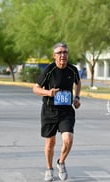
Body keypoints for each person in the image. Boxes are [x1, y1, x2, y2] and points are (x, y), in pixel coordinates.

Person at [33, 42, 81, 181]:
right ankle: (49, 168)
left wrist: (77, 97)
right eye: (59, 53)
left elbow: (78, 83)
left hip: (66, 111)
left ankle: (61, 162)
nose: (62, 55)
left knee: (68, 140)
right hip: (49, 110)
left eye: (65, 52)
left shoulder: (73, 70)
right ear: (54, 56)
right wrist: (48, 92)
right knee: (50, 143)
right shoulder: (49, 70)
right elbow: (35, 88)